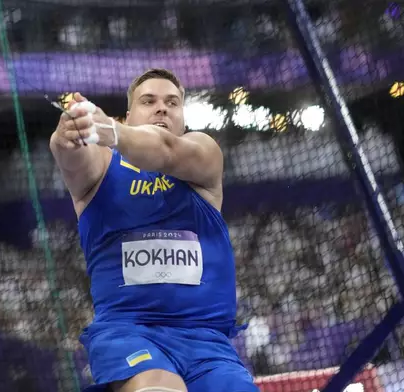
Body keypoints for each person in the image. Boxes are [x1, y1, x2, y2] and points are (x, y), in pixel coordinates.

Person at [50, 68, 258, 392]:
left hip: (207, 343)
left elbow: (166, 149)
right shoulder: (103, 163)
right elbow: (73, 158)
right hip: (129, 333)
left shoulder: (203, 153)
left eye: (172, 102)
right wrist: (67, 139)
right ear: (129, 115)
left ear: (184, 119)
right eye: (149, 101)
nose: (162, 108)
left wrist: (114, 131)